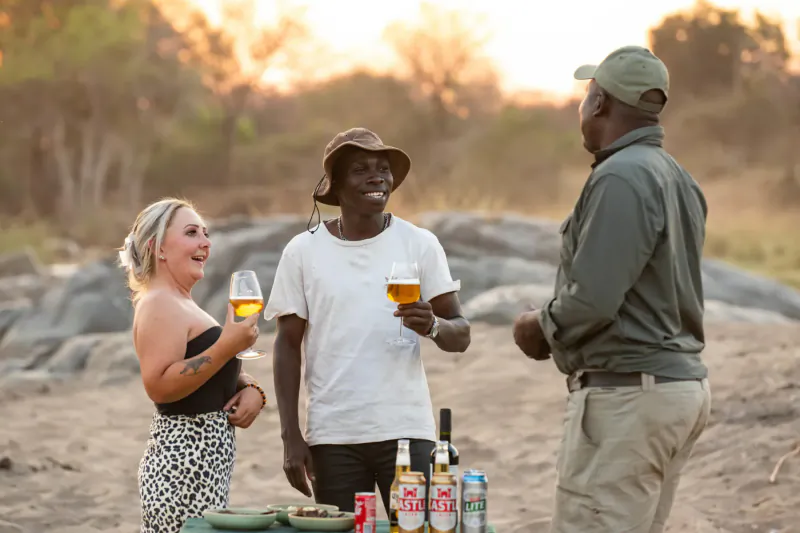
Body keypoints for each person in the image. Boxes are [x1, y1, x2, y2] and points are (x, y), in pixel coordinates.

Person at [512, 46, 712, 533]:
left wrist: (538, 328)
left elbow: (594, 299)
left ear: (599, 103)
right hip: (674, 391)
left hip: (629, 400)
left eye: (586, 97)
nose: (581, 109)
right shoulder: (677, 177)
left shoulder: (621, 176)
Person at [264, 127, 471, 515]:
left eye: (383, 169)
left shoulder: (419, 243)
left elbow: (461, 335)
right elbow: (287, 345)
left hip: (409, 430)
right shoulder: (302, 251)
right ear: (336, 185)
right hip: (333, 437)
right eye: (361, 169)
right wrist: (291, 436)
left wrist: (433, 326)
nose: (377, 177)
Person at [119, 197, 268, 533]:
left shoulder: (181, 302)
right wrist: (229, 343)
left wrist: (253, 389)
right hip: (180, 469)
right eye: (191, 233)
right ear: (158, 248)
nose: (206, 243)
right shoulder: (159, 302)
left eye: (205, 233)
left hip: (200, 468)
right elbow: (159, 385)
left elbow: (210, 372)